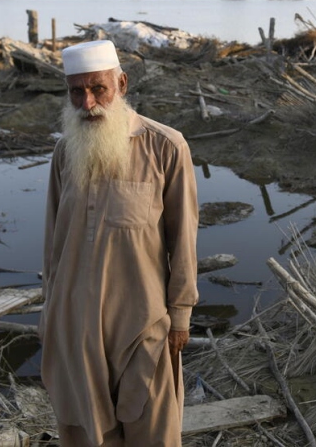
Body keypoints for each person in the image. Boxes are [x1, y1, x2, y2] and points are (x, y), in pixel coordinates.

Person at [40, 39, 198, 446]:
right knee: (86, 430)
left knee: (153, 430)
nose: (88, 102)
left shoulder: (166, 146)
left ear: (122, 85)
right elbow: (53, 239)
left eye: (98, 89)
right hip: (75, 322)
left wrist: (180, 315)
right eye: (77, 91)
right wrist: (50, 312)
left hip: (142, 322)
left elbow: (183, 240)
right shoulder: (64, 153)